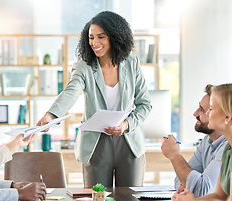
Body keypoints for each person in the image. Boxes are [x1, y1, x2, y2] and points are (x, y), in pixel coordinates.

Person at [36, 11, 152, 188]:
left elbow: (145, 105)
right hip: (96, 144)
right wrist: (51, 115)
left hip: (129, 143)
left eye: (101, 37)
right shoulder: (84, 67)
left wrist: (126, 124)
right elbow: (70, 92)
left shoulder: (132, 64)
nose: (94, 43)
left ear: (115, 37)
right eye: (91, 37)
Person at [172, 83, 232, 201]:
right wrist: (190, 200)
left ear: (227, 117)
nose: (207, 113)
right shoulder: (230, 146)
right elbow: (219, 197)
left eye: (211, 109)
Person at [161, 85, 227, 197]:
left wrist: (175, 156)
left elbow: (202, 191)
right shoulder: (207, 141)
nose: (195, 113)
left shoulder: (228, 146)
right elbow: (179, 182)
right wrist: (190, 183)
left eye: (202, 110)